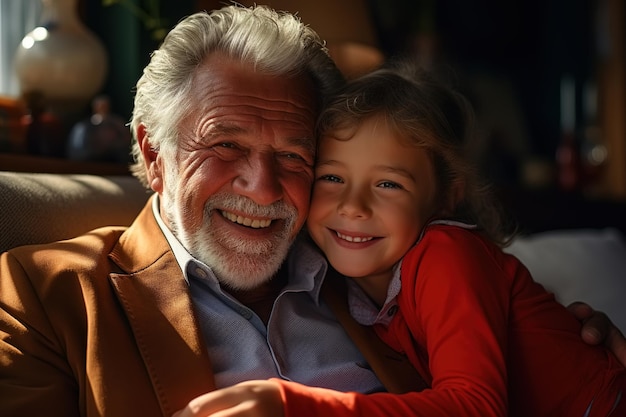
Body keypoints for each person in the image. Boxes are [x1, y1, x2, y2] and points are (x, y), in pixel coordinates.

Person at [0, 5, 623, 417]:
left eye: (296, 157)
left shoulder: (374, 274)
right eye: (226, 145)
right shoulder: (41, 293)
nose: (264, 188)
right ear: (153, 153)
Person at [302, 62, 626, 416]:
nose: (352, 206)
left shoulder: (445, 253)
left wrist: (292, 407)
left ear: (445, 198)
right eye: (332, 178)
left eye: (388, 184)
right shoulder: (341, 287)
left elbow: (475, 407)